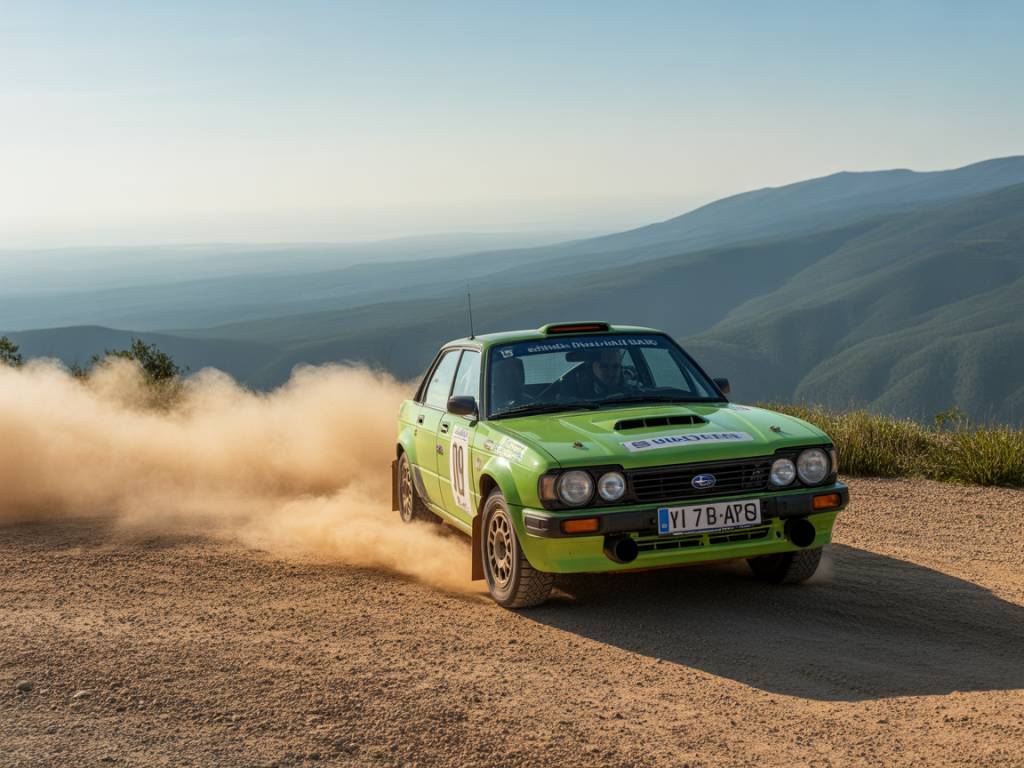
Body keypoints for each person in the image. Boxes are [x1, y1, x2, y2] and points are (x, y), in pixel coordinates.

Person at [567, 348, 636, 399]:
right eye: (604, 367)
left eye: (616, 366)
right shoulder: (575, 395)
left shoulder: (635, 389)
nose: (611, 374)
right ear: (592, 369)